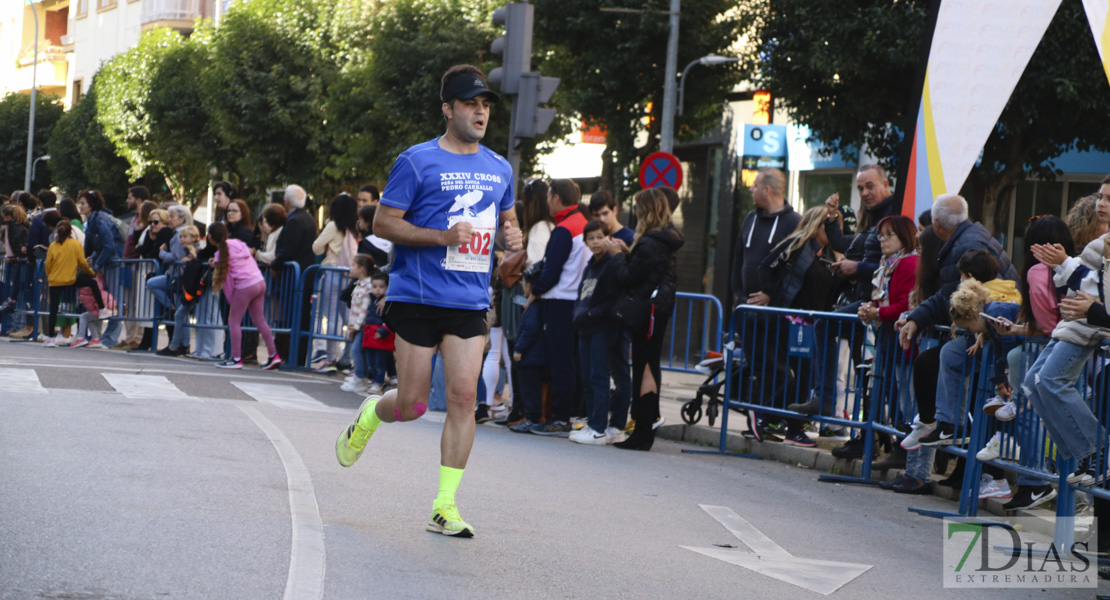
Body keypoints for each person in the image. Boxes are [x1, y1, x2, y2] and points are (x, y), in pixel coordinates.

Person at [333, 64, 523, 538]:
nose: (480, 112)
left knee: (463, 397)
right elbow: (383, 224)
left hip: (469, 300)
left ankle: (445, 505)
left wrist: (514, 243)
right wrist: (441, 236)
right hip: (416, 295)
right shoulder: (416, 161)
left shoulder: (500, 167)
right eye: (470, 104)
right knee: (414, 404)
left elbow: (507, 224)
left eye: (485, 105)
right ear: (447, 109)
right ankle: (373, 412)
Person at [605, 187, 685, 451]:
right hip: (657, 309)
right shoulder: (661, 239)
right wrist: (629, 254)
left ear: (646, 211)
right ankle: (643, 426)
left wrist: (617, 256)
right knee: (646, 365)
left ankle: (642, 431)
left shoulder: (651, 241)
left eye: (639, 206)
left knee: (645, 367)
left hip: (649, 311)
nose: (636, 211)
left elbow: (629, 276)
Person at [528, 178, 588, 436]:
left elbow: (551, 271)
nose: (547, 200)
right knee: (574, 361)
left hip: (558, 300)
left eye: (549, 195)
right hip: (577, 300)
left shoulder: (564, 229)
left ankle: (562, 417)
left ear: (556, 198)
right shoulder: (583, 224)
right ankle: (574, 414)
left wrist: (535, 289)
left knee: (560, 361)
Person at [569, 220, 625, 445]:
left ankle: (599, 428)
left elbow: (613, 300)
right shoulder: (590, 265)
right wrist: (579, 314)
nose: (595, 242)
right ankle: (593, 423)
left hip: (602, 327)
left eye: (599, 237)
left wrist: (592, 314)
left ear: (607, 238)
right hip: (585, 327)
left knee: (599, 376)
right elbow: (582, 294)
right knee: (587, 377)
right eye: (590, 238)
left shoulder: (611, 264)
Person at [206, 222, 281, 370]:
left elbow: (227, 281)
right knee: (260, 321)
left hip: (244, 286)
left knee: (234, 321)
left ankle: (236, 358)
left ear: (210, 238)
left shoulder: (220, 254)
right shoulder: (238, 243)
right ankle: (274, 355)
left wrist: (231, 300)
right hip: (259, 281)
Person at [312, 192, 360, 372]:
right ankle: (347, 356)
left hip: (332, 272)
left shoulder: (333, 226)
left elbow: (316, 247)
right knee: (349, 318)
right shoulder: (354, 227)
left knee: (331, 317)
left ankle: (330, 359)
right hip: (350, 275)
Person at [272, 185, 318, 364]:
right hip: (301, 276)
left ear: (286, 201)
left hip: (295, 278)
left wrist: (275, 264)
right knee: (299, 317)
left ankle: (292, 357)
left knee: (292, 318)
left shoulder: (295, 220)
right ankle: (295, 357)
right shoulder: (307, 218)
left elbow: (288, 249)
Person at [43, 222, 99, 347]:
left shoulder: (53, 245)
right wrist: (91, 272)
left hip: (55, 280)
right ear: (70, 232)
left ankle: (50, 338)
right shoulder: (75, 244)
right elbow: (82, 263)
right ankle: (101, 308)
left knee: (53, 308)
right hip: (70, 279)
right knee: (91, 284)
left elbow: (48, 264)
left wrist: (49, 275)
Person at [345, 260, 393, 394]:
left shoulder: (378, 298)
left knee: (377, 360)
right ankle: (364, 379)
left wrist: (357, 326)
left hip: (374, 331)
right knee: (371, 359)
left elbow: (364, 312)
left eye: (381, 287)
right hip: (368, 331)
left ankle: (369, 381)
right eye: (375, 286)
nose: (377, 290)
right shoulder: (368, 292)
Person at [0, 205, 30, 315]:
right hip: (16, 257)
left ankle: (11, 301)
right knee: (17, 282)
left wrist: (15, 255)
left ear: (8, 216)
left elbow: (15, 240)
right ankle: (12, 301)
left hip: (16, 258)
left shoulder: (13, 225)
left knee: (16, 282)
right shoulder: (22, 224)